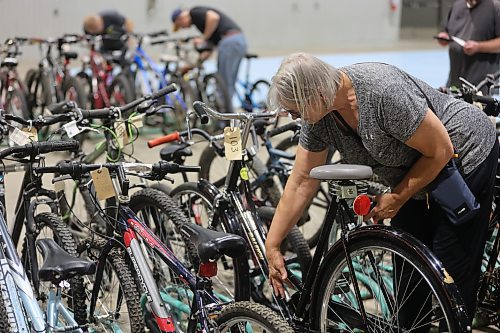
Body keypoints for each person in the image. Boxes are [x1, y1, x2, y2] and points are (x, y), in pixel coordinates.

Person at [265, 53, 498, 327]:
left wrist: (397, 197)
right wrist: (273, 243)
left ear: (316, 93)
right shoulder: (319, 117)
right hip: (412, 172)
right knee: (409, 272)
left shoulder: (381, 92)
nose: (294, 117)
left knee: (450, 268)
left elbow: (441, 150)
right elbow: (303, 179)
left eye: (295, 110)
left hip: (462, 154)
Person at [171, 6, 247, 112]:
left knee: (224, 83)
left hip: (229, 41)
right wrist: (193, 65)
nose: (184, 28)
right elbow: (209, 49)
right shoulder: (206, 26)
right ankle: (227, 116)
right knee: (228, 82)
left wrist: (203, 39)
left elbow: (213, 17)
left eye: (180, 25)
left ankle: (227, 118)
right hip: (236, 40)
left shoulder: (194, 13)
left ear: (181, 18)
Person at [436, 0, 500, 89]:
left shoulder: (495, 6)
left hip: (483, 85)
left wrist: (479, 47)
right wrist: (444, 37)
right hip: (455, 81)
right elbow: (446, 30)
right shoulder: (457, 6)